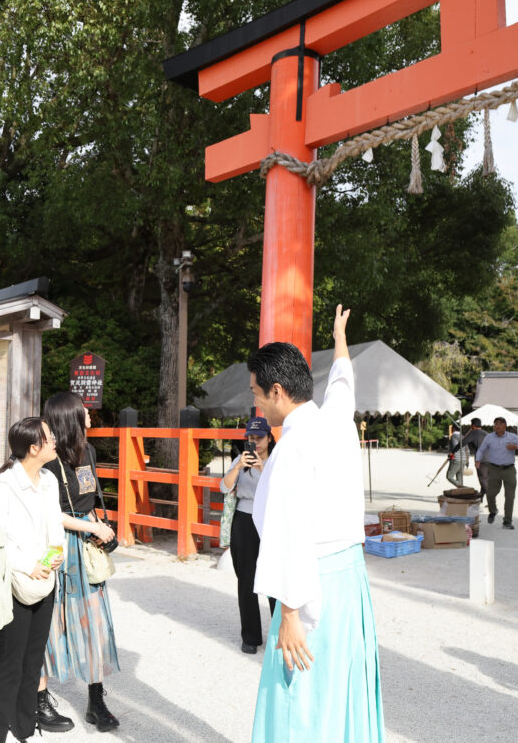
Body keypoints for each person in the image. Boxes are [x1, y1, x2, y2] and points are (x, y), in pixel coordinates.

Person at [247, 306, 384, 742]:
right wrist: (339, 338)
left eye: (258, 394)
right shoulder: (338, 423)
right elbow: (343, 383)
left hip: (312, 582)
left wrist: (288, 611)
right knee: (341, 685)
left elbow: (289, 531)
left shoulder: (293, 446)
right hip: (350, 581)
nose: (257, 403)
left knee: (299, 694)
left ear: (278, 390)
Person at [38, 392, 120, 734]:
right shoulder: (44, 461)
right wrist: (91, 526)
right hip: (54, 543)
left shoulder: (89, 453)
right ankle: (38, 699)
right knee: (46, 619)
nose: (90, 416)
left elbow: (88, 501)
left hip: (86, 545)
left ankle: (96, 699)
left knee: (94, 621)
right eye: (83, 413)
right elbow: (49, 513)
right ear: (70, 418)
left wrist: (102, 530)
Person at [0, 419, 65, 743]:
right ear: (34, 447)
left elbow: (54, 526)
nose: (54, 441)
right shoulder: (2, 487)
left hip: (45, 579)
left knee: (34, 659)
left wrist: (55, 554)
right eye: (49, 437)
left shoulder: (49, 480)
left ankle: (25, 728)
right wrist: (29, 565)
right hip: (14, 582)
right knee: (10, 662)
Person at [219, 417, 276, 654]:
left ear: (269, 437)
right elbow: (224, 486)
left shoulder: (277, 460)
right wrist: (237, 467)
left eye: (259, 438)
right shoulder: (238, 461)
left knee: (275, 575)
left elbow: (280, 488)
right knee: (246, 578)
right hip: (244, 518)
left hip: (271, 520)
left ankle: (280, 632)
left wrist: (263, 468)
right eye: (250, 439)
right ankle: (250, 636)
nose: (255, 443)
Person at [475, 416, 518, 530]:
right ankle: (493, 510)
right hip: (493, 469)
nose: (497, 426)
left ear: (505, 425)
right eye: (495, 424)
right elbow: (481, 449)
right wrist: (478, 459)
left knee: (510, 496)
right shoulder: (489, 437)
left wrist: (516, 447)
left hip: (509, 470)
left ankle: (507, 521)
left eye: (499, 424)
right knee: (490, 494)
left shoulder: (512, 437)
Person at [462, 418, 488, 498]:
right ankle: (481, 497)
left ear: (473, 425)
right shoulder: (486, 433)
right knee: (487, 480)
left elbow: (462, 443)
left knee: (483, 480)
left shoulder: (473, 433)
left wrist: (452, 451)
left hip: (481, 460)